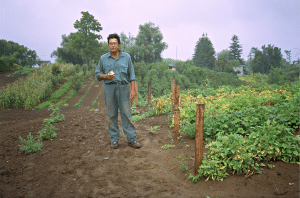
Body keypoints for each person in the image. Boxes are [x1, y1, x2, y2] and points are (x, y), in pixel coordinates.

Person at [95, 33, 141, 149]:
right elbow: (97, 74)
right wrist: (106, 76)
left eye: (115, 43)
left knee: (126, 113)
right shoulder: (103, 58)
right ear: (108, 45)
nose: (113, 45)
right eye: (110, 43)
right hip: (109, 88)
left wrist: (133, 90)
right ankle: (114, 140)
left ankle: (132, 139)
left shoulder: (126, 57)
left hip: (123, 88)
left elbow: (132, 75)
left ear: (119, 45)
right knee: (111, 115)